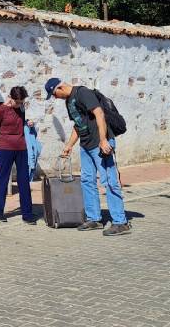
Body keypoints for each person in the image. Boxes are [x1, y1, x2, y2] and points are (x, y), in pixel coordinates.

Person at [45, 78, 131, 236]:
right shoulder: (69, 101)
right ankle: (94, 219)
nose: (55, 97)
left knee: (109, 180)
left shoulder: (83, 93)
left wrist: (104, 140)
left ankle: (120, 222)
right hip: (85, 145)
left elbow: (99, 113)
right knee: (87, 180)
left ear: (60, 87)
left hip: (99, 143)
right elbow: (78, 125)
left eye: (54, 94)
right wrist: (69, 145)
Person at [0, 86, 36, 224]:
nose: (20, 104)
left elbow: (19, 124)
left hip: (21, 148)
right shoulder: (1, 110)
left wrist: (28, 123)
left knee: (24, 180)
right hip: (5, 148)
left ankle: (27, 213)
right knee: (2, 179)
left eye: (22, 102)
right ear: (11, 98)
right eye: (18, 102)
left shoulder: (21, 108)